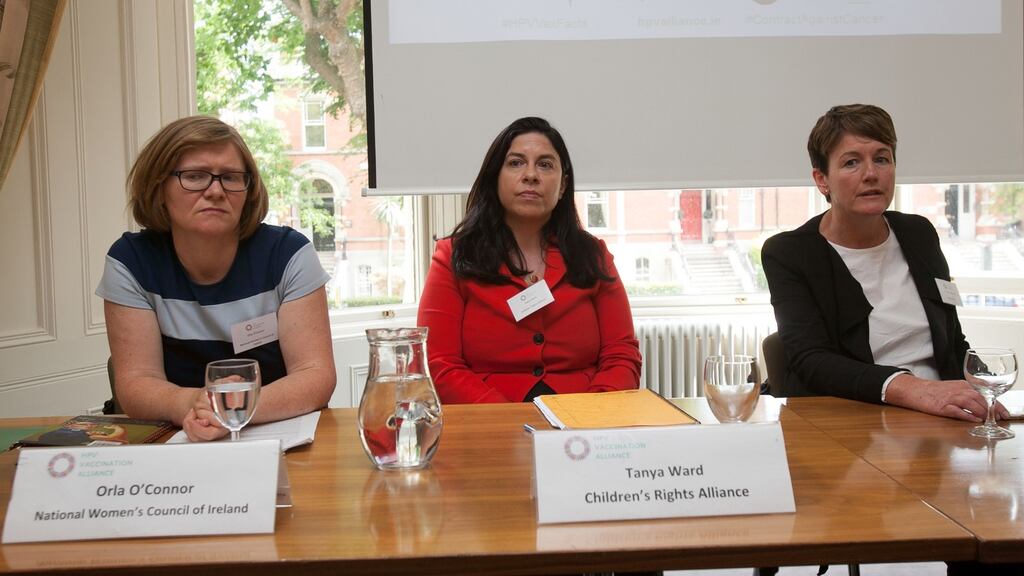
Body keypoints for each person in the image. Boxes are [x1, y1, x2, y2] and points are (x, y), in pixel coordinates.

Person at [762, 104, 1008, 422]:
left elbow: (953, 341)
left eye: (882, 158)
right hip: (855, 422)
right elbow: (812, 360)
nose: (871, 174)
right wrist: (914, 389)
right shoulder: (789, 253)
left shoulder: (919, 234)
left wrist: (988, 393)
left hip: (944, 419)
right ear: (822, 179)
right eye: (852, 162)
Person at [96, 116, 336, 441]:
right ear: (158, 187)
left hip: (275, 438)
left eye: (231, 177)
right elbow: (137, 382)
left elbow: (315, 375)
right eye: (194, 177)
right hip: (176, 442)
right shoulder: (130, 262)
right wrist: (191, 404)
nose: (215, 191)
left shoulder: (289, 254)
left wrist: (237, 408)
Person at [417, 116, 641, 403]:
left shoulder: (594, 256)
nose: (531, 175)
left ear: (562, 186)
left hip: (581, 430)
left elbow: (621, 355)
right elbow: (439, 363)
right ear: (494, 178)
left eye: (545, 164)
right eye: (516, 163)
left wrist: (589, 419)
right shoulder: (453, 256)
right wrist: (507, 420)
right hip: (489, 424)